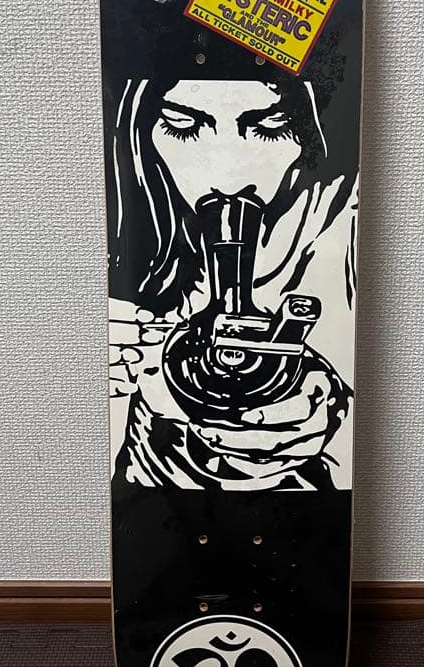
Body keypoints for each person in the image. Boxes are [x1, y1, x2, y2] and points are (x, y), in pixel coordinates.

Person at [106, 75, 357, 491]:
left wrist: (331, 412)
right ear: (142, 129)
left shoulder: (345, 226)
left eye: (270, 127)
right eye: (183, 126)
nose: (227, 179)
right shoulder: (122, 237)